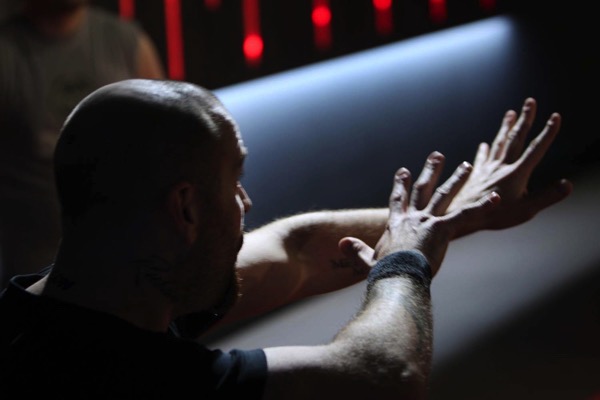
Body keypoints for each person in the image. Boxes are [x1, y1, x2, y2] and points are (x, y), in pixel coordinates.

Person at [0, 79, 572, 399]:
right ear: (186, 209)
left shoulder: (92, 297)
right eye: (235, 182)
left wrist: (450, 217)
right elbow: (384, 375)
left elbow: (297, 248)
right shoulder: (135, 381)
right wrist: (404, 262)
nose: (246, 203)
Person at [0, 0, 165, 288]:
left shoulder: (128, 42)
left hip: (130, 271)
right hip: (37, 280)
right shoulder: (7, 53)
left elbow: (168, 147)